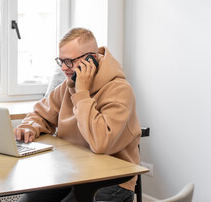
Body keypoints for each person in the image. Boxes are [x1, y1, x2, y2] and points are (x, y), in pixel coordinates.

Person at [14, 28, 141, 202]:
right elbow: (40, 114)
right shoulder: (68, 86)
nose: (64, 68)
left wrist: (82, 92)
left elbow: (100, 143)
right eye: (61, 61)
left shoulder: (119, 90)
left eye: (69, 61)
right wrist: (28, 127)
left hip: (112, 180)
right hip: (73, 172)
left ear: (92, 59)